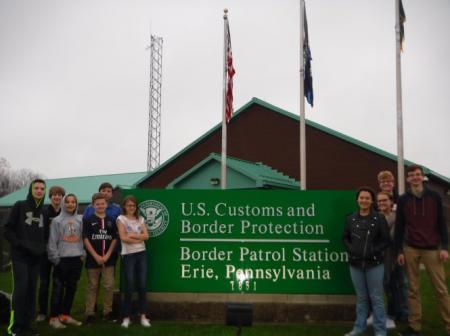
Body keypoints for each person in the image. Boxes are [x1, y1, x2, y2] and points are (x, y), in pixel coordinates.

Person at [395, 164, 450, 336]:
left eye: (418, 175)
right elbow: (399, 226)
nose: (415, 178)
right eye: (412, 175)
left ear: (422, 177)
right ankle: (415, 327)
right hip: (410, 248)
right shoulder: (403, 199)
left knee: (441, 289)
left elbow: (442, 223)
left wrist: (445, 247)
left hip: (432, 249)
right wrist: (399, 251)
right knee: (413, 290)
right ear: (408, 179)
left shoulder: (434, 196)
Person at [343, 186, 390, 336]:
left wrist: (373, 251)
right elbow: (345, 238)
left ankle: (380, 331)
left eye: (367, 198)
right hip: (355, 265)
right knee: (361, 298)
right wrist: (351, 249)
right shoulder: (350, 218)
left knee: (376, 298)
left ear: (371, 201)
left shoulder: (379, 218)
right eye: (361, 198)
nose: (364, 200)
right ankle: (359, 328)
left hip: (374, 264)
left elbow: (385, 240)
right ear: (357, 200)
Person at [4, 178, 46, 336]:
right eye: (36, 188)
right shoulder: (19, 206)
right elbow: (7, 229)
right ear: (31, 189)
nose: (39, 190)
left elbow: (45, 234)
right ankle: (15, 327)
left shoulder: (44, 211)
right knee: (21, 290)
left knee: (31, 291)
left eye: (42, 188)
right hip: (20, 257)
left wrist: (42, 248)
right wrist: (20, 245)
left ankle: (28, 325)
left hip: (36, 258)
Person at [47, 194, 84, 329]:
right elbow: (52, 242)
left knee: (71, 289)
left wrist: (82, 255)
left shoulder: (80, 220)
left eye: (73, 202)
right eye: (67, 202)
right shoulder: (57, 221)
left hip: (76, 259)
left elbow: (81, 239)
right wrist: (56, 259)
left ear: (76, 204)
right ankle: (53, 317)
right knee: (58, 290)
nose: (70, 204)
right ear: (63, 203)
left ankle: (65, 315)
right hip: (61, 260)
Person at [83, 192, 118, 324]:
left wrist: (108, 255)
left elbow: (114, 238)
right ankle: (89, 313)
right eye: (97, 204)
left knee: (109, 285)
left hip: (109, 259)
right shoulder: (88, 220)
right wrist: (96, 256)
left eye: (102, 203)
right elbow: (85, 239)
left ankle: (107, 312)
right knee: (92, 286)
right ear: (93, 205)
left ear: (106, 204)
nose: (100, 206)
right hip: (93, 259)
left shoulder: (111, 220)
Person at [116, 195, 150, 328]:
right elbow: (123, 238)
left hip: (141, 254)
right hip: (128, 255)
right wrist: (138, 237)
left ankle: (143, 316)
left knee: (142, 286)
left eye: (133, 205)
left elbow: (146, 236)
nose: (131, 207)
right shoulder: (121, 219)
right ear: (124, 206)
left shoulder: (140, 219)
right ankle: (127, 317)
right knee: (129, 287)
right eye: (129, 205)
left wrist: (133, 235)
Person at [377, 191, 408, 327]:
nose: (382, 203)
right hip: (380, 257)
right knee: (385, 286)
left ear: (391, 201)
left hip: (396, 255)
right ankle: (388, 314)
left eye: (384, 200)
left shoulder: (398, 217)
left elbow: (396, 237)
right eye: (379, 201)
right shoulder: (375, 218)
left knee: (398, 286)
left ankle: (399, 314)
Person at [36, 185, 66, 322]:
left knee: (58, 283)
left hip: (60, 252)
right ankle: (42, 311)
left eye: (59, 195)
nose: (57, 197)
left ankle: (57, 311)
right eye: (54, 194)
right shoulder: (43, 211)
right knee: (44, 283)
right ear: (50, 196)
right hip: (45, 253)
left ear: (62, 197)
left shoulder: (65, 212)